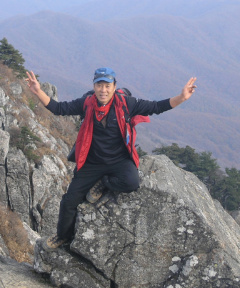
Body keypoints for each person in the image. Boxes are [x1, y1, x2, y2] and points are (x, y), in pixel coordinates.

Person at [25, 67, 197, 250]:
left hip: (119, 160)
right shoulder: (87, 103)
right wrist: (38, 91)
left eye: (107, 85)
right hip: (92, 162)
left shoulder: (126, 104)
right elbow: (59, 108)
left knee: (132, 183)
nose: (103, 90)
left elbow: (156, 107)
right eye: (99, 85)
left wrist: (182, 98)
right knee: (69, 200)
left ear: (114, 86)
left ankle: (104, 183)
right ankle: (62, 236)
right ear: (94, 86)